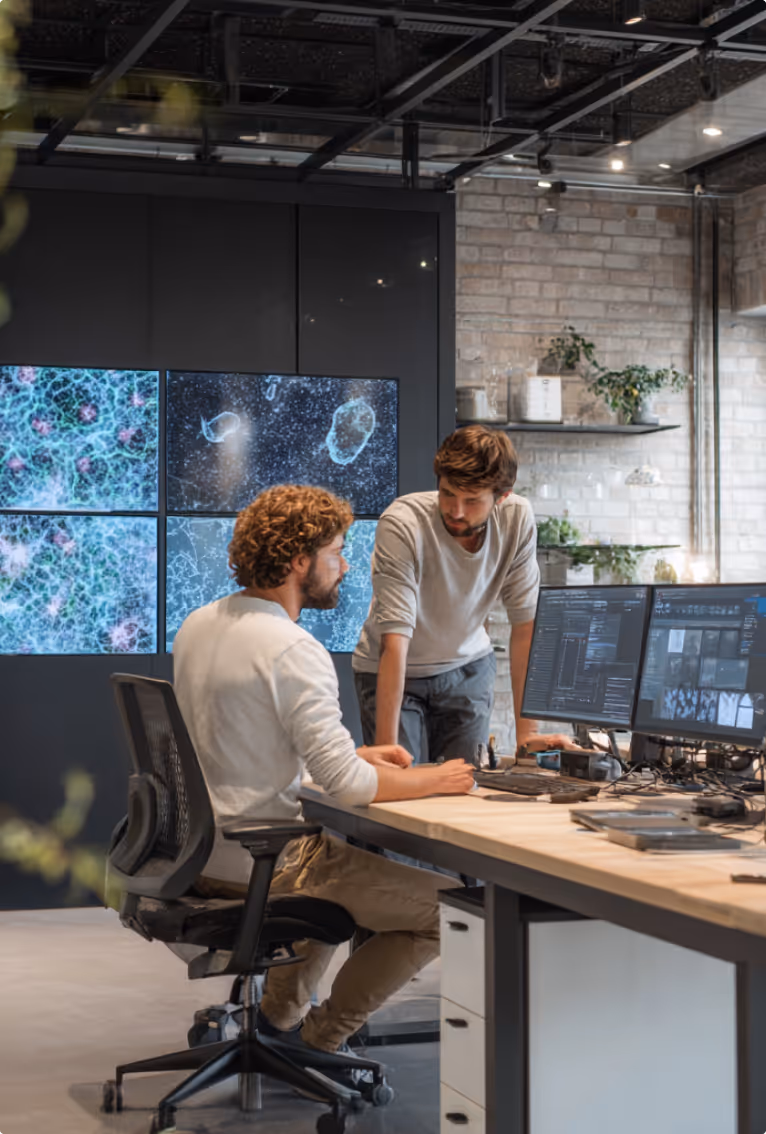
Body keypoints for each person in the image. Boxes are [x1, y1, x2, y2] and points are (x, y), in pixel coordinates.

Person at [172, 484, 474, 1059]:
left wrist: (352, 753)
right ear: (299, 561)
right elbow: (353, 790)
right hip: (267, 862)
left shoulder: (201, 624)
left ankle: (280, 1020)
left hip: (200, 854)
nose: (345, 564)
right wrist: (439, 778)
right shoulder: (291, 647)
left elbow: (237, 738)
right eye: (338, 550)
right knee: (448, 910)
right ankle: (323, 1037)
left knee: (335, 870)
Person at [353, 425, 576, 762]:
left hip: (467, 668)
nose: (456, 511)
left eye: (472, 501)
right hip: (394, 666)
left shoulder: (516, 518)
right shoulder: (403, 524)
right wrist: (386, 753)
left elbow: (527, 627)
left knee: (463, 785)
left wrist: (527, 736)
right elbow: (395, 639)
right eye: (447, 494)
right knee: (402, 787)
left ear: (502, 496)